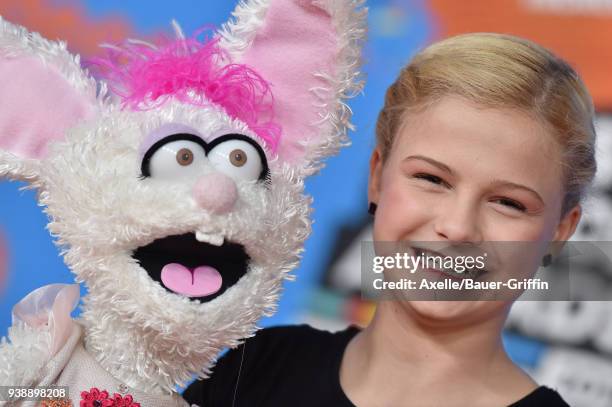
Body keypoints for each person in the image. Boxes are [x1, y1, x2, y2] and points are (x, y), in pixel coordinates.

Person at [184, 32, 596, 406]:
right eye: (432, 179)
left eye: (508, 202)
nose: (457, 227)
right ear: (378, 177)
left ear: (560, 231)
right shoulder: (261, 366)